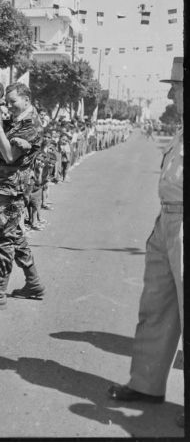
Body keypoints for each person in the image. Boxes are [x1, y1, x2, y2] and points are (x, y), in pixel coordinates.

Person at [108, 57, 184, 428]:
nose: (171, 95)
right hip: (167, 219)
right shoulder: (182, 129)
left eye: (177, 87)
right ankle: (147, 383)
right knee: (156, 306)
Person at [0, 82, 45, 307]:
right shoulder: (18, 121)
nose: (9, 106)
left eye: (13, 102)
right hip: (7, 185)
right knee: (14, 235)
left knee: (2, 237)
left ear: (26, 99)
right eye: (7, 102)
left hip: (14, 189)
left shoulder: (30, 125)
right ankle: (33, 283)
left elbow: (10, 156)